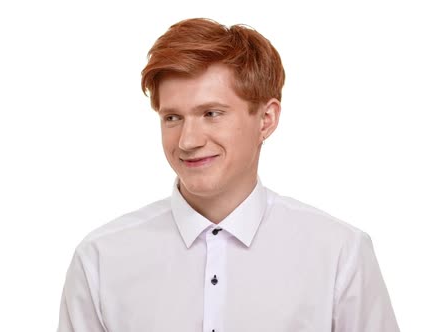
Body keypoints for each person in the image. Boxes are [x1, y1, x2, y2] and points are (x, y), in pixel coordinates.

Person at [57, 18, 400, 332]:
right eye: (172, 118)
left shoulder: (340, 254)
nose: (188, 141)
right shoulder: (100, 259)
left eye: (211, 113)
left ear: (266, 119)